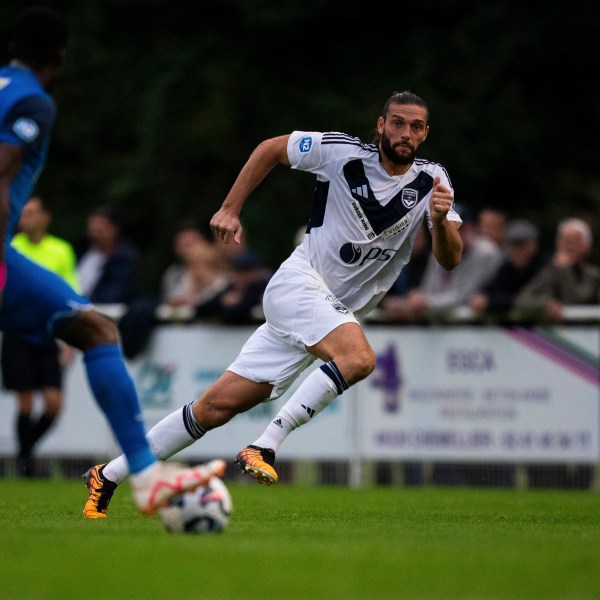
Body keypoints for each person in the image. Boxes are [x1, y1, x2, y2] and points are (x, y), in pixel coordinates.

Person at [81, 90, 463, 516]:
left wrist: (442, 219)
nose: (404, 133)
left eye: (415, 126)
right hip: (300, 286)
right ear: (380, 124)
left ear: (426, 133)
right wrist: (230, 209)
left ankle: (108, 475)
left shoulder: (434, 181)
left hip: (327, 313)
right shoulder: (340, 152)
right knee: (359, 358)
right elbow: (271, 149)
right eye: (397, 122)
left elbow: (450, 259)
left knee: (215, 407)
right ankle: (265, 444)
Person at [0, 6, 224, 517]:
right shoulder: (33, 101)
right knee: (97, 331)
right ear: (59, 56)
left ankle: (142, 474)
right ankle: (145, 478)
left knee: (92, 326)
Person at [1, 195, 78, 476]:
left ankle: (25, 451)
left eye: (32, 213)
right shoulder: (11, 247)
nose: (25, 218)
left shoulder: (60, 250)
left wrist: (70, 338)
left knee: (54, 403)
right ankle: (27, 464)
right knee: (25, 400)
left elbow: (70, 292)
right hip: (17, 331)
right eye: (23, 213)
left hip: (47, 333)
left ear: (45, 217)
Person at [383, 204, 502, 322]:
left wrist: (424, 302)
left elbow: (463, 297)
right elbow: (427, 291)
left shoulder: (486, 252)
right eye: (449, 227)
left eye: (461, 227)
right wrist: (406, 303)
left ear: (473, 229)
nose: (455, 232)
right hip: (444, 322)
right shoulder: (438, 251)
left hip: (483, 325)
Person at [513, 217, 600, 322]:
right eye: (563, 241)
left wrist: (564, 269)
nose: (567, 247)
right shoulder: (549, 271)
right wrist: (546, 304)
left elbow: (576, 300)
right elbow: (522, 300)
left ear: (586, 246)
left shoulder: (593, 275)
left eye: (572, 241)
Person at [468, 218, 547, 321]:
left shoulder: (544, 268)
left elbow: (523, 299)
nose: (518, 250)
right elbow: (492, 290)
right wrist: (481, 297)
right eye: (514, 244)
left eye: (522, 244)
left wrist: (489, 301)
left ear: (534, 245)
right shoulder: (506, 268)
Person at [76, 205, 140, 305]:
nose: (95, 232)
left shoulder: (123, 258)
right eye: (93, 226)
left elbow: (115, 294)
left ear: (115, 229)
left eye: (100, 227)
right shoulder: (80, 250)